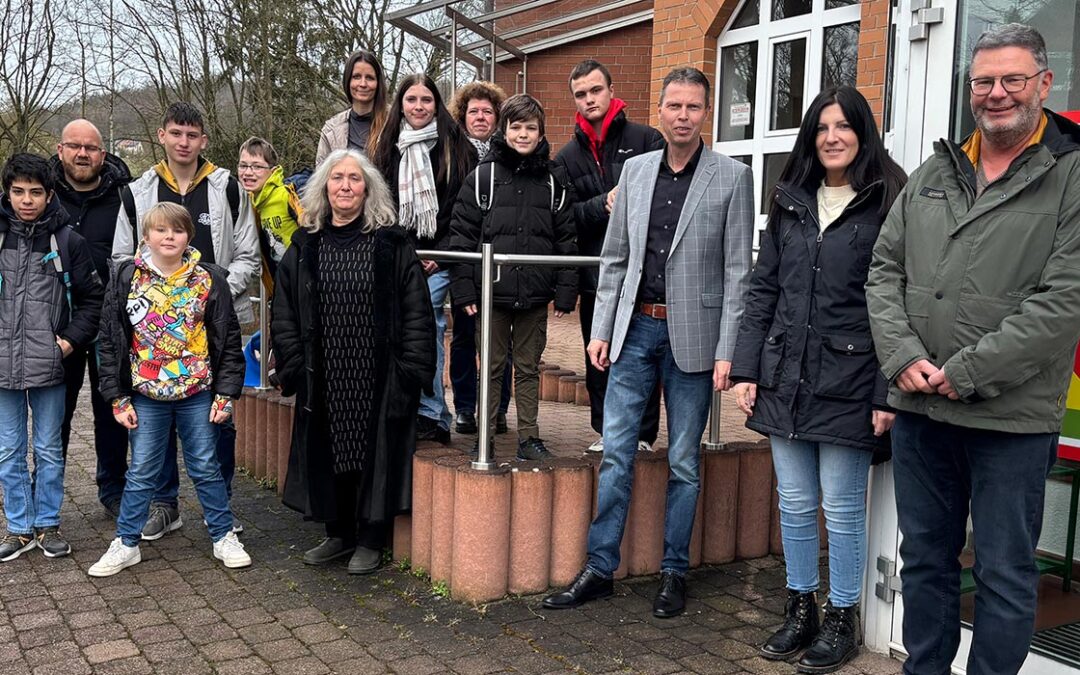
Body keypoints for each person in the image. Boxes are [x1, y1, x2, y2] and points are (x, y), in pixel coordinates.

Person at [866, 24, 1080, 674]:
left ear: (1044, 84)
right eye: (984, 81)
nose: (996, 93)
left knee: (1004, 574)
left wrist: (966, 372)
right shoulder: (935, 172)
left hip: (1009, 423)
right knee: (925, 562)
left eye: (1012, 79)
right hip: (922, 415)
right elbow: (883, 272)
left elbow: (1064, 299)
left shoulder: (1069, 179)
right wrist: (902, 356)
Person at [542, 68, 754, 617]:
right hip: (634, 330)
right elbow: (614, 259)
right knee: (616, 453)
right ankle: (599, 567)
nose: (683, 116)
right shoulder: (634, 172)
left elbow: (738, 273)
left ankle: (674, 571)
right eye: (674, 106)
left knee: (683, 460)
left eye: (693, 107)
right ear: (658, 110)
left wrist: (729, 349)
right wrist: (604, 329)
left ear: (706, 112)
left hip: (696, 338)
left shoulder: (732, 177)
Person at [729, 87, 907, 673]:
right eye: (822, 127)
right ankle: (800, 606)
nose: (832, 137)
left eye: (844, 126)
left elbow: (897, 300)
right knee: (797, 502)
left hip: (852, 377)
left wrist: (889, 389)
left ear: (862, 132)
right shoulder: (790, 197)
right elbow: (764, 288)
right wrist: (749, 365)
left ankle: (842, 616)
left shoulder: (888, 198)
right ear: (811, 136)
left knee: (842, 506)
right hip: (786, 374)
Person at [272, 148, 435, 574]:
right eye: (337, 178)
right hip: (324, 371)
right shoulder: (305, 246)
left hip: (376, 372)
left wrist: (412, 369)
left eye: (355, 179)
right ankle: (338, 533)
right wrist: (291, 362)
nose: (346, 186)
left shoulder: (391, 244)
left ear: (368, 189)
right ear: (324, 187)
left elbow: (417, 309)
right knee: (330, 449)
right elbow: (285, 310)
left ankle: (370, 537)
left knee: (372, 452)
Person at [112, 101, 259, 540]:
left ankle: (222, 505)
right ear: (162, 135)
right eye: (176, 133)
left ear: (203, 141)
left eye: (192, 135)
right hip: (155, 337)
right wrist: (160, 301)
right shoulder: (137, 192)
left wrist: (211, 297)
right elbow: (121, 259)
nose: (183, 141)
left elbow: (248, 254)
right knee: (154, 426)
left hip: (214, 328)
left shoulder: (228, 188)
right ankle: (164, 504)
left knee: (219, 419)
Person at [91, 202, 250, 576]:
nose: (169, 237)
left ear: (188, 237)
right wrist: (117, 396)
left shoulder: (209, 279)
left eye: (177, 230)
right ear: (145, 236)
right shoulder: (127, 277)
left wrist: (225, 394)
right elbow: (111, 339)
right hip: (146, 394)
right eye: (160, 230)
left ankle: (223, 534)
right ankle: (126, 542)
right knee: (143, 469)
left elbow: (227, 340)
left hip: (198, 392)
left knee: (206, 466)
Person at [449, 94, 577, 459]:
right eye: (516, 127)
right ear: (503, 131)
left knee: (527, 368)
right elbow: (462, 237)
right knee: (489, 368)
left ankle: (529, 438)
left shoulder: (554, 179)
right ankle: (486, 434)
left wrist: (565, 290)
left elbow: (566, 236)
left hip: (534, 295)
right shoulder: (483, 177)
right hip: (490, 295)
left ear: (541, 133)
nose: (523, 134)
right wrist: (463, 290)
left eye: (530, 128)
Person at [555, 59, 665, 454]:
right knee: (598, 357)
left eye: (595, 90)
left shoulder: (648, 138)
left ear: (611, 90)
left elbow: (666, 198)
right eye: (581, 94)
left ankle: (643, 435)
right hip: (597, 275)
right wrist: (603, 203)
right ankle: (605, 431)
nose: (589, 99)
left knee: (643, 357)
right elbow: (565, 218)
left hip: (644, 273)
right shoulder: (565, 157)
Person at [0, 153, 104, 561]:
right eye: (18, 191)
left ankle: (47, 523)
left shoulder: (67, 241)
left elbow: (92, 300)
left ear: (49, 194)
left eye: (36, 192)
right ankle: (19, 528)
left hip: (50, 365)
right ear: (7, 193)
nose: (27, 200)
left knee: (46, 447)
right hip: (3, 366)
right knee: (8, 450)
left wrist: (67, 343)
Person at [373, 74, 476, 445]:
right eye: (412, 99)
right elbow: (381, 206)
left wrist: (437, 254)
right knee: (400, 329)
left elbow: (465, 209)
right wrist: (408, 253)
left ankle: (433, 412)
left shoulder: (458, 147)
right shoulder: (389, 147)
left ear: (437, 104)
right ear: (401, 103)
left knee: (427, 321)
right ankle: (413, 408)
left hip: (447, 255)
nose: (419, 107)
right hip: (404, 255)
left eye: (427, 100)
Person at [49, 119, 132, 516]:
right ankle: (47, 494)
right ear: (60, 149)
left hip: (110, 322)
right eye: (75, 146)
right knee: (54, 411)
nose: (83, 154)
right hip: (57, 325)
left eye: (91, 148)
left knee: (111, 407)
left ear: (103, 154)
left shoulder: (124, 196)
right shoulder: (44, 195)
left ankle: (113, 489)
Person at [447, 80, 511, 435]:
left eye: (488, 111)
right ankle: (466, 408)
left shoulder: (508, 154)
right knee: (464, 337)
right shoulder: (451, 153)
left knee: (502, 342)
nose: (481, 117)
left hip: (501, 264)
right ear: (463, 115)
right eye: (474, 111)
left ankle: (499, 408)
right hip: (467, 259)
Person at [237, 136, 301, 290]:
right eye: (243, 165)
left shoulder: (285, 195)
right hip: (279, 284)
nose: (248, 172)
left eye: (257, 167)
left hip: (301, 281)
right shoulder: (250, 202)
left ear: (272, 171)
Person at [316, 50, 387, 166]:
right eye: (356, 77)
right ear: (348, 81)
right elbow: (321, 176)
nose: (363, 84)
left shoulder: (395, 123)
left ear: (378, 83)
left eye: (369, 78)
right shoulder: (331, 130)